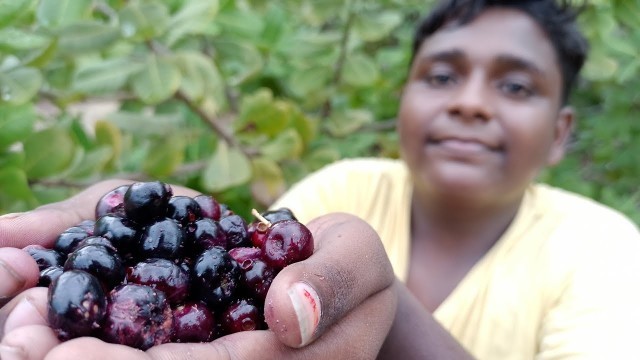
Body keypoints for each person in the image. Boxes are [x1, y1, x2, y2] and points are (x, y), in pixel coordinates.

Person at [1, 0, 639, 359]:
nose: (470, 103)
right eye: (442, 76)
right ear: (403, 100)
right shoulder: (348, 185)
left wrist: (382, 299)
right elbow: (248, 274)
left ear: (559, 132)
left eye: (515, 85)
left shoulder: (604, 251)